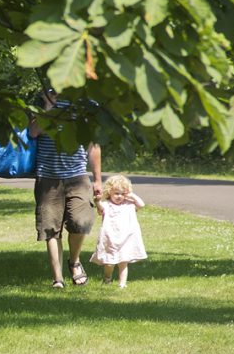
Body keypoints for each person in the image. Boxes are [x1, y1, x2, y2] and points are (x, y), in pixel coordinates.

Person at [28, 88, 102, 289]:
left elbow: (93, 144)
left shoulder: (84, 103)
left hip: (77, 175)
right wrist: (49, 106)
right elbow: (34, 132)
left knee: (81, 223)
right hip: (47, 177)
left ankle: (74, 262)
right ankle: (58, 278)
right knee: (50, 229)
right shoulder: (41, 100)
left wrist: (97, 179)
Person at [90, 174, 147, 288]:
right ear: (109, 192)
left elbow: (141, 204)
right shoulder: (107, 205)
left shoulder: (129, 204)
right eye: (116, 193)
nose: (119, 196)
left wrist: (131, 195)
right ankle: (107, 278)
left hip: (126, 238)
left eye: (122, 193)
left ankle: (122, 284)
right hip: (110, 238)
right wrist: (97, 201)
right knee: (109, 263)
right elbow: (100, 209)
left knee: (123, 262)